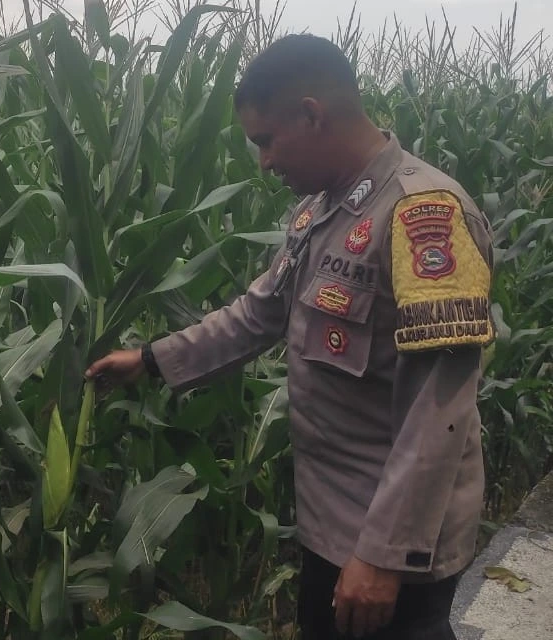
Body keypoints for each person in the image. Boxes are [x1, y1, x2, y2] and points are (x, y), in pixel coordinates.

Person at [85, 34, 495, 640]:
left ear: (311, 114)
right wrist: (150, 359)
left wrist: (383, 555)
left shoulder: (420, 215)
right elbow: (258, 315)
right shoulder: (320, 209)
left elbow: (440, 410)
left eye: (266, 141)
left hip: (395, 542)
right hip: (331, 522)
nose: (263, 162)